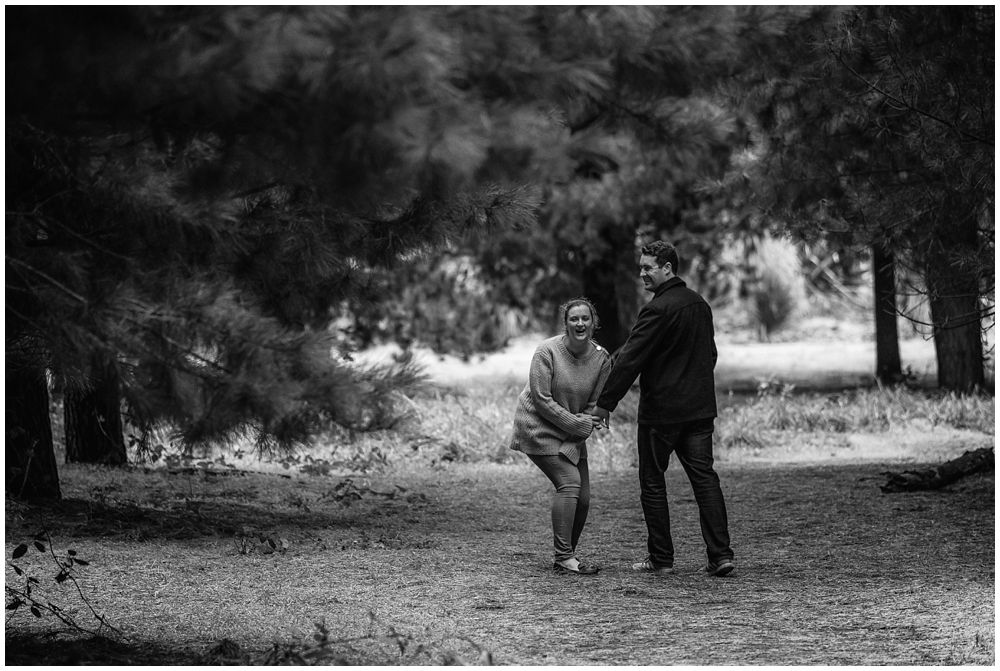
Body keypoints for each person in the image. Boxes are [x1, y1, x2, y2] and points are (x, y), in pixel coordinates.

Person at [594, 241, 735, 577]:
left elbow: (630, 359)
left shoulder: (657, 309)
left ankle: (661, 559)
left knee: (653, 482)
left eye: (648, 268)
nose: (642, 273)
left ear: (668, 268)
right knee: (705, 480)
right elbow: (710, 356)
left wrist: (604, 404)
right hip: (700, 411)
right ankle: (721, 556)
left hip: (662, 414)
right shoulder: (699, 305)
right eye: (641, 267)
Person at [510, 298, 611, 575]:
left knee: (585, 497)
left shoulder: (602, 358)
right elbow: (541, 399)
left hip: (572, 428)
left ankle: (568, 557)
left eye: (585, 319)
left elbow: (594, 405)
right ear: (565, 324)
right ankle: (564, 556)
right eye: (573, 319)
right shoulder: (547, 351)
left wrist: (577, 433)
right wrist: (576, 425)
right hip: (538, 425)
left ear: (593, 323)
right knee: (569, 483)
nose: (580, 324)